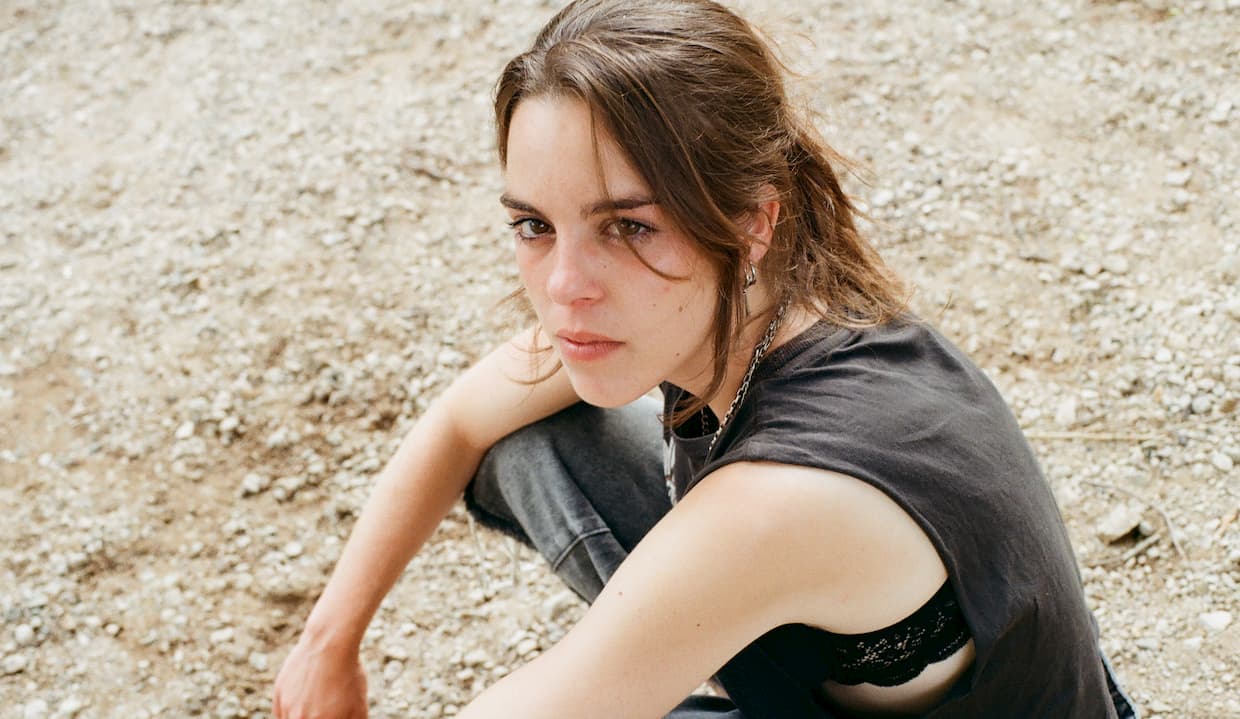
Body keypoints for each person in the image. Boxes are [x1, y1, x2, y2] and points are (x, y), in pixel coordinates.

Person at [272, 1, 1139, 717]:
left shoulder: (780, 501)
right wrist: (327, 644)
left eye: (629, 226)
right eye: (535, 224)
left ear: (752, 221)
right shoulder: (761, 297)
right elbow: (465, 418)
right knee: (529, 438)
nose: (565, 287)